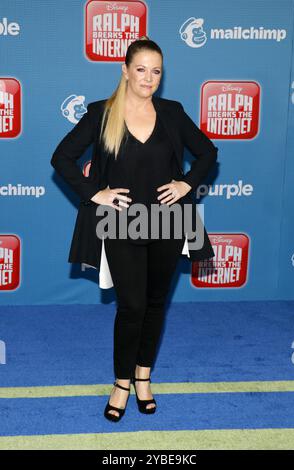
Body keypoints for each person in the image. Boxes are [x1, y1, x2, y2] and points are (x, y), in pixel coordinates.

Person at [51, 36, 218, 422]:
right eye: (141, 69)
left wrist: (187, 184)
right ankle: (121, 383)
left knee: (156, 303)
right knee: (132, 307)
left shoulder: (173, 113)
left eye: (156, 71)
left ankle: (144, 378)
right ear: (125, 70)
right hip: (121, 222)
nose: (149, 77)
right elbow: (61, 158)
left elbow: (208, 152)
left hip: (170, 220)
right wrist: (96, 194)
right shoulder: (100, 114)